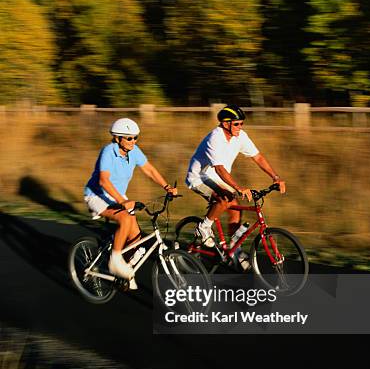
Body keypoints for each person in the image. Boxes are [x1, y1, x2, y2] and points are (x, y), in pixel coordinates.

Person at [84, 118, 177, 281]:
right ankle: (115, 260)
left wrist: (167, 187)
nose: (133, 141)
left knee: (135, 239)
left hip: (118, 196)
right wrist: (123, 201)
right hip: (97, 195)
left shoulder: (133, 151)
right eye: (129, 138)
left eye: (135, 137)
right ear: (117, 138)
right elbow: (103, 181)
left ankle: (123, 270)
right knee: (125, 218)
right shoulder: (108, 151)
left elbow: (149, 170)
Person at [185, 104, 286, 251]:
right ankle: (203, 227)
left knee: (236, 208)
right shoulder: (215, 138)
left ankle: (234, 249)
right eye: (237, 124)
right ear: (226, 124)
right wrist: (239, 188)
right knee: (225, 199)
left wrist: (275, 177)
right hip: (199, 177)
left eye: (242, 123)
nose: (240, 127)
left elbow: (257, 157)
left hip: (218, 178)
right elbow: (219, 169)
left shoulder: (240, 136)